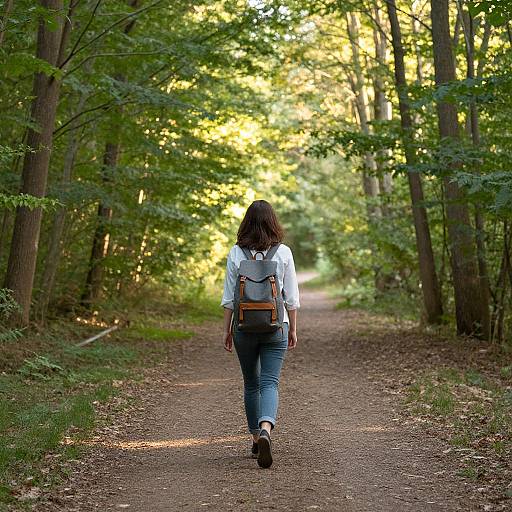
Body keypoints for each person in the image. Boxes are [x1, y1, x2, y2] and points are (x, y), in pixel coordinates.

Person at [221, 199, 300, 468]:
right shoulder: (284, 253)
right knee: (270, 382)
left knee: (251, 383)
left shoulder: (235, 253)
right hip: (276, 325)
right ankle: (266, 428)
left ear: (246, 223)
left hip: (243, 326)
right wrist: (293, 328)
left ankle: (255, 440)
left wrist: (226, 330)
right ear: (273, 223)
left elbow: (229, 298)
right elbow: (292, 297)